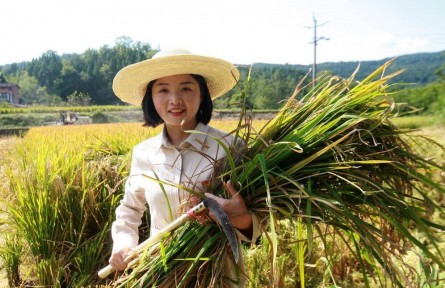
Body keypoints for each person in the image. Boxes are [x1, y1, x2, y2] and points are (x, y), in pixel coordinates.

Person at [109, 49, 262, 286]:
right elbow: (129, 209)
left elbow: (258, 222)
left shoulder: (230, 148)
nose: (175, 99)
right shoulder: (143, 153)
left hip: (217, 276)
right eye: (163, 89)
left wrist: (241, 218)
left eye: (186, 88)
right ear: (151, 97)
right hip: (160, 274)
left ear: (202, 95)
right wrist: (123, 244)